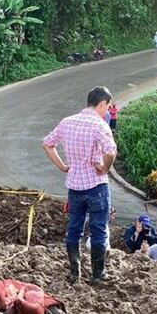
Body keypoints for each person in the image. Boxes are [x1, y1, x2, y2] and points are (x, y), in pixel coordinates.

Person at [43, 86, 117, 285]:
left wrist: (62, 166)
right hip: (96, 186)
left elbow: (47, 143)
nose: (108, 110)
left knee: (74, 229)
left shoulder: (67, 122)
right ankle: (98, 274)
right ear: (102, 103)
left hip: (74, 186)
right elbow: (110, 151)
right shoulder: (99, 125)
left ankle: (75, 272)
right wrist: (104, 168)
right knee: (98, 229)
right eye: (108, 107)